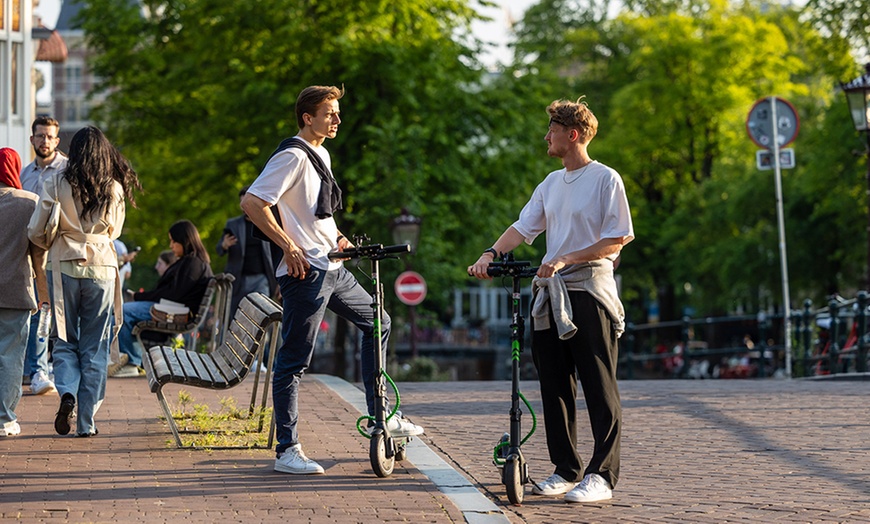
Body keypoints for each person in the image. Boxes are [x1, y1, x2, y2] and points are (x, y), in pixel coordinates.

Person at [241, 84, 423, 475]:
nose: (337, 119)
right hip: (306, 272)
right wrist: (289, 246)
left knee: (379, 321)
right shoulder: (292, 155)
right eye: (329, 113)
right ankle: (287, 451)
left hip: (333, 266)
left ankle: (384, 417)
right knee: (293, 360)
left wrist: (339, 238)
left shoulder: (320, 154)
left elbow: (315, 213)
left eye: (337, 112)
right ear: (308, 117)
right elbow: (252, 202)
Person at [468, 97, 634, 503]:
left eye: (552, 131)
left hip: (590, 290)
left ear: (572, 135)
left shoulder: (605, 179)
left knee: (598, 383)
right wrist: (490, 254)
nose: (546, 137)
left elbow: (618, 238)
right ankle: (565, 468)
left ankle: (603, 474)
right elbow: (523, 228)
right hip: (551, 293)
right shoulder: (550, 183)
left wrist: (566, 257)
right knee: (554, 385)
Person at [27, 126, 141, 437]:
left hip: (63, 262)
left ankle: (67, 392)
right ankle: (86, 422)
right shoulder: (114, 188)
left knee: (65, 339)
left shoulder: (56, 181)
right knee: (95, 346)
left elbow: (37, 230)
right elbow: (114, 231)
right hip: (102, 265)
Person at [116, 220, 213, 376]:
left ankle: (131, 363)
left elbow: (173, 294)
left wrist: (140, 296)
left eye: (173, 241)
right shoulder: (191, 262)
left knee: (124, 312)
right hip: (172, 308)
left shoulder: (193, 263)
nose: (171, 245)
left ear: (185, 240)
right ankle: (131, 359)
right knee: (123, 310)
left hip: (176, 312)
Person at [0, 148, 49, 437]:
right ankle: (5, 418)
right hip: (16, 291)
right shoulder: (29, 203)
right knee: (10, 357)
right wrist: (44, 296)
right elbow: (39, 259)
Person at [20, 116, 68, 396]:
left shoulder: (67, 171)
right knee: (39, 311)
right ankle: (38, 369)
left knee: (61, 314)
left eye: (50, 136)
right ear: (32, 139)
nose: (45, 141)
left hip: (61, 253)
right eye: (40, 136)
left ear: (57, 140)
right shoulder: (25, 175)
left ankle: (56, 368)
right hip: (32, 258)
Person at [217, 185, 277, 314]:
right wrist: (224, 245)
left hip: (262, 278)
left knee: (261, 313)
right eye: (242, 202)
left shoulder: (267, 223)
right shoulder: (233, 225)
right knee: (235, 314)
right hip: (239, 278)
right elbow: (219, 249)